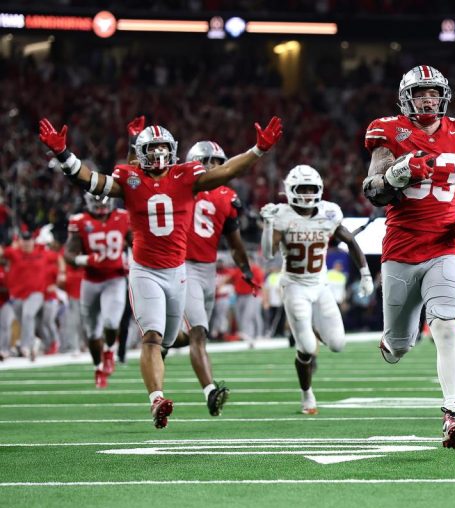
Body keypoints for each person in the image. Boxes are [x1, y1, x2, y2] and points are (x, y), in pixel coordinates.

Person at [38, 114, 282, 428]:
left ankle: (178, 361)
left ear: (173, 150)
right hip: (145, 271)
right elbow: (91, 180)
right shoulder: (130, 178)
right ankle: (156, 400)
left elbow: (225, 171)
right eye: (151, 149)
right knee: (152, 337)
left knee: (167, 339)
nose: (158, 154)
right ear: (140, 153)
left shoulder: (186, 174)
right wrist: (63, 155)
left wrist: (258, 150)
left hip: (177, 272)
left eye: (163, 148)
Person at [362, 65, 455, 448]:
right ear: (406, 99)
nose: (428, 98)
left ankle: (453, 412)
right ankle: (392, 341)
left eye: (433, 92)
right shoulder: (388, 131)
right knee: (400, 345)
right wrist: (398, 174)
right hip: (400, 249)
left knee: (446, 327)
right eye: (420, 93)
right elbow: (372, 188)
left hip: (444, 246)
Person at [261, 165, 373, 415]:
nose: (308, 193)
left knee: (338, 344)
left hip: (320, 285)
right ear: (291, 190)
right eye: (303, 188)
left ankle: (309, 331)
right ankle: (307, 395)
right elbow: (268, 253)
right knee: (308, 348)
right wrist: (269, 227)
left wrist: (365, 273)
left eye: (312, 188)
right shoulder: (282, 215)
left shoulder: (328, 212)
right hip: (294, 286)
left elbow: (349, 241)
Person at [174, 140, 261, 416]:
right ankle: (210, 392)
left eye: (216, 162)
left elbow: (234, 242)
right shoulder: (182, 185)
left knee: (194, 335)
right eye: (205, 162)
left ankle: (159, 343)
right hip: (182, 266)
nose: (211, 167)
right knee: (199, 332)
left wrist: (246, 270)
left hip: (207, 270)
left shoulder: (227, 196)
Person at [64, 194, 131, 388]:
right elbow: (69, 254)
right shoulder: (80, 221)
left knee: (111, 321)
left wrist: (133, 263)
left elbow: (136, 243)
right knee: (92, 332)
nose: (101, 205)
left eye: (104, 201)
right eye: (97, 202)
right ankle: (98, 367)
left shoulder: (123, 217)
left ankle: (110, 350)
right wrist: (85, 260)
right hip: (91, 280)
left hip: (115, 279)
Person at [0, 229, 62, 361]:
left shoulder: (42, 253)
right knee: (23, 321)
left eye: (29, 240)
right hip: (16, 295)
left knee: (28, 315)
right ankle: (33, 342)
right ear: (20, 241)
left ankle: (25, 346)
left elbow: (58, 257)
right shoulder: (13, 252)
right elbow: (1, 254)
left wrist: (61, 275)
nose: (27, 243)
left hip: (36, 293)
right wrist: (12, 245)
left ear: (33, 241)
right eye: (24, 240)